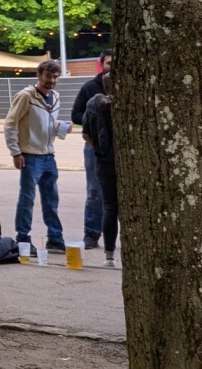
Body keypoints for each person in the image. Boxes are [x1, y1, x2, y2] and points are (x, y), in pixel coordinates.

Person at [5, 60, 70, 252]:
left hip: (49, 155)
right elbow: (10, 124)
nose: (52, 80)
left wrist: (60, 127)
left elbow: (46, 122)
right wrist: (16, 152)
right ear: (39, 75)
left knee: (51, 199)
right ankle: (23, 239)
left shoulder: (55, 97)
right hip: (30, 155)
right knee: (27, 199)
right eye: (48, 76)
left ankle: (55, 238)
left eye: (55, 77)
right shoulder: (26, 96)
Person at [71, 50, 112, 251]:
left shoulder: (127, 85)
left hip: (117, 147)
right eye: (109, 63)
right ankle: (91, 234)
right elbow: (76, 115)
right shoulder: (90, 87)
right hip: (94, 147)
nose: (112, 67)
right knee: (95, 192)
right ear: (101, 64)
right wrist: (94, 119)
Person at [82, 72, 119, 267]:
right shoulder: (127, 105)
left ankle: (109, 255)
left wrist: (99, 148)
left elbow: (86, 134)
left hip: (104, 162)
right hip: (123, 162)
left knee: (109, 207)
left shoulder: (94, 104)